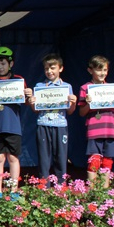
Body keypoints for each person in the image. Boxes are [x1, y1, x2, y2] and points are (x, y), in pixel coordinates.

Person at [0, 46, 32, 199]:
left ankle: (14, 190)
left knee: (13, 158)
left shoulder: (19, 80)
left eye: (3, 63)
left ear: (11, 64)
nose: (0, 67)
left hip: (13, 126)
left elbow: (27, 102)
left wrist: (29, 95)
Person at [78, 55, 114, 188]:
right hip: (94, 131)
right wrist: (89, 104)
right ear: (90, 70)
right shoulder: (85, 88)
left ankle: (104, 191)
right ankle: (93, 191)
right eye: (99, 70)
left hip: (110, 130)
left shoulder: (112, 89)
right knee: (94, 160)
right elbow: (82, 112)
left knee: (107, 161)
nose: (102, 73)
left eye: (105, 70)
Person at [30, 53, 77, 185]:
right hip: (43, 124)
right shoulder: (39, 86)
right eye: (46, 68)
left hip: (60, 125)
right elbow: (35, 110)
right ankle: (44, 187)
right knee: (44, 158)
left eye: (52, 68)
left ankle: (61, 186)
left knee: (61, 158)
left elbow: (70, 111)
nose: (49, 71)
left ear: (60, 68)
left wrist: (73, 102)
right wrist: (32, 102)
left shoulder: (67, 87)